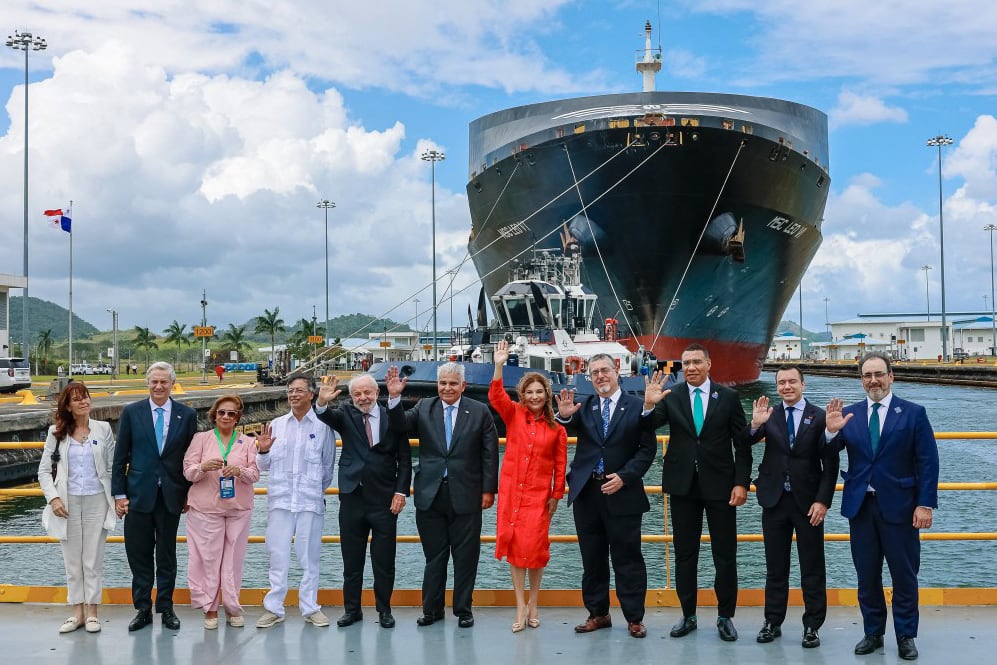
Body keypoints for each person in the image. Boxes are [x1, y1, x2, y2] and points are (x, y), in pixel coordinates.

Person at [825, 351, 939, 661]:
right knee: (867, 575)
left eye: (878, 374)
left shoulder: (913, 413)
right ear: (861, 380)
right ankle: (873, 633)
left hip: (901, 507)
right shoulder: (849, 414)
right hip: (861, 508)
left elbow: (928, 462)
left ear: (891, 376)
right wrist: (830, 432)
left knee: (904, 575)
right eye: (867, 375)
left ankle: (905, 635)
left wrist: (925, 504)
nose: (873, 380)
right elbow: (827, 453)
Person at [643, 343, 751, 641]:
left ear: (708, 364)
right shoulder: (672, 395)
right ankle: (688, 614)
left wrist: (741, 483)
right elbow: (648, 426)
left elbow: (742, 445)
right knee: (685, 554)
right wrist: (648, 405)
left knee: (725, 555)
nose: (691, 368)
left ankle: (725, 616)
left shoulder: (728, 397)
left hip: (721, 487)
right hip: (683, 486)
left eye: (696, 362)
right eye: (686, 363)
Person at [386, 362, 499, 628]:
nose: (447, 388)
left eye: (453, 383)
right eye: (443, 383)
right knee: (434, 557)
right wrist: (394, 398)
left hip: (467, 494)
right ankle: (432, 610)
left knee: (465, 557)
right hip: (430, 495)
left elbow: (490, 453)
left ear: (463, 386)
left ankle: (463, 610)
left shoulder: (480, 411)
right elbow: (400, 425)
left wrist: (488, 490)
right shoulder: (424, 407)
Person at [555, 353, 657, 639]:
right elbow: (565, 425)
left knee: (628, 558)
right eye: (594, 372)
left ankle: (634, 617)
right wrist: (564, 415)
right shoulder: (584, 406)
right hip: (588, 493)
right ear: (590, 378)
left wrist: (625, 476)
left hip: (622, 492)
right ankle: (598, 613)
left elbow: (647, 449)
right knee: (592, 558)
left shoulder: (637, 406)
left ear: (617, 371)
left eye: (605, 370)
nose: (600, 376)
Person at [746, 366, 839, 648]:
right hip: (774, 500)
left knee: (812, 567)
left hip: (808, 503)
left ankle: (812, 625)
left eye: (792, 382)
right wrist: (754, 425)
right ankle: (772, 621)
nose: (786, 387)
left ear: (803, 384)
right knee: (775, 567)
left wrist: (823, 500)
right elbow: (744, 441)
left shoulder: (819, 416)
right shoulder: (770, 414)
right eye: (781, 382)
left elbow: (830, 463)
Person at [315, 374, 412, 629]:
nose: (363, 398)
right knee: (352, 561)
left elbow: (404, 459)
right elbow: (324, 415)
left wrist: (401, 492)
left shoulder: (393, 417)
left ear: (377, 393)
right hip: (352, 497)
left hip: (385, 500)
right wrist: (322, 402)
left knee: (384, 561)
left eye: (367, 392)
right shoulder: (346, 414)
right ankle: (352, 610)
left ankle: (384, 610)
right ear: (351, 397)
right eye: (357, 394)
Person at [111, 361, 197, 632]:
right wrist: (119, 494)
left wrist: (188, 492)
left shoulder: (187, 414)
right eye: (154, 381)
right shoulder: (132, 412)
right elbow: (120, 457)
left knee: (167, 556)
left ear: (172, 384)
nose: (159, 386)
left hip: (171, 495)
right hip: (138, 495)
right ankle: (142, 608)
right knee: (139, 555)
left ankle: (166, 607)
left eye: (164, 382)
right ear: (147, 383)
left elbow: (190, 457)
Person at [489, 340, 567, 632]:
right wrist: (499, 365)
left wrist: (555, 496)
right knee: (514, 547)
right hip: (512, 492)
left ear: (547, 395)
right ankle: (520, 604)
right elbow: (496, 396)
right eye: (529, 392)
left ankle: (534, 602)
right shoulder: (513, 415)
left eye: (539, 392)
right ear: (522, 395)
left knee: (535, 549)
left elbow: (560, 466)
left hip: (538, 496)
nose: (534, 397)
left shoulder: (557, 430)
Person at [255, 373, 337, 629]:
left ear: (311, 394)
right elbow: (263, 466)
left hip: (309, 501)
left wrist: (314, 491)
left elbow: (327, 467)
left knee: (309, 558)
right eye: (290, 390)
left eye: (299, 390)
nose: (293, 394)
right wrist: (263, 450)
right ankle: (274, 608)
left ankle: (310, 608)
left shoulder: (323, 427)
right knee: (277, 556)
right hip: (280, 501)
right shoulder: (277, 425)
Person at [38, 382, 117, 634]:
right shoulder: (56, 432)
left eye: (85, 397)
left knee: (92, 560)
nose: (83, 402)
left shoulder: (103, 429)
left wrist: (118, 498)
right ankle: (77, 613)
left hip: (97, 500)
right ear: (68, 406)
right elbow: (44, 471)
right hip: (67, 503)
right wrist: (53, 498)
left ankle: (92, 612)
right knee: (72, 562)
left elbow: (112, 467)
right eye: (77, 399)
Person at [182, 394, 260, 629]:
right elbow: (188, 472)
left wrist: (239, 471)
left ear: (237, 417)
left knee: (233, 561)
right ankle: (210, 608)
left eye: (231, 413)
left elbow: (255, 474)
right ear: (214, 415)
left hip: (238, 509)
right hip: (205, 509)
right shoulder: (201, 439)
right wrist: (203, 467)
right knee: (207, 560)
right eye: (222, 412)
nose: (226, 416)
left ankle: (232, 607)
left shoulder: (248, 442)